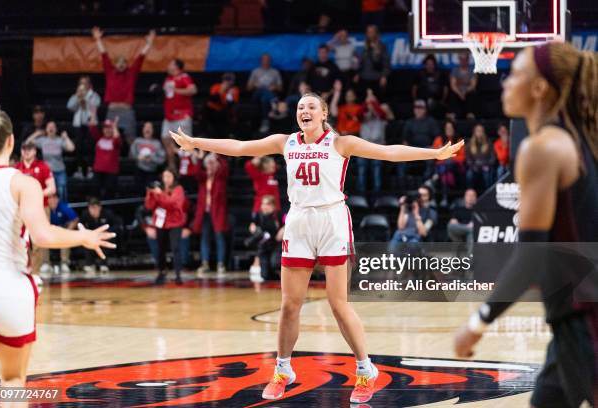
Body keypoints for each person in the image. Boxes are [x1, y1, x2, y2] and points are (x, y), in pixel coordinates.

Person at [169, 92, 462, 403]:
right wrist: (196, 142)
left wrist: (433, 154)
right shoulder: (286, 142)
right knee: (289, 305)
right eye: (299, 107)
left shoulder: (340, 143)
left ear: (324, 114)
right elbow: (240, 147)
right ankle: (283, 369)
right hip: (299, 221)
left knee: (338, 304)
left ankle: (366, 369)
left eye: (310, 107)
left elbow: (388, 152)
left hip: (332, 220)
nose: (303, 111)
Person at [454, 42, 598, 408]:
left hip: (586, 323)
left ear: (539, 88)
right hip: (572, 320)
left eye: (516, 73)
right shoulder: (578, 141)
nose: (505, 82)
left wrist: (477, 324)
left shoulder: (544, 149)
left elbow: (530, 255)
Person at [0, 99, 114, 388]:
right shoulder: (23, 183)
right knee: (12, 381)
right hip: (10, 289)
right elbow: (42, 235)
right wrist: (84, 236)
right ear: (11, 142)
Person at [92, 26, 155, 145]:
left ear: (126, 64)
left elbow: (140, 58)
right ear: (115, 64)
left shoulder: (131, 73)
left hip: (126, 111)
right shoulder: (110, 72)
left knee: (130, 139)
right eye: (118, 62)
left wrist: (149, 44)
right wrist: (98, 40)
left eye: (123, 62)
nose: (121, 65)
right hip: (112, 111)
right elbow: (104, 55)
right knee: (109, 139)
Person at [14, 141, 56, 277]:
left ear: (35, 151)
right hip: (21, 209)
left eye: (29, 149)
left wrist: (36, 193)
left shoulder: (43, 166)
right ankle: (23, 269)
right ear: (21, 151)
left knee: (39, 239)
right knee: (20, 239)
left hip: (40, 208)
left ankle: (36, 272)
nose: (26, 151)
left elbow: (52, 188)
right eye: (24, 149)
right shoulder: (16, 169)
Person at [145, 168, 188, 285]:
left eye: (169, 176)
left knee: (175, 247)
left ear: (174, 177)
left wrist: (160, 194)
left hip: (175, 222)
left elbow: (172, 203)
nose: (167, 179)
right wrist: (150, 194)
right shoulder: (159, 189)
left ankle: (178, 274)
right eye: (165, 177)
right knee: (161, 249)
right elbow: (149, 206)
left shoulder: (179, 189)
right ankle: (161, 272)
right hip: (161, 222)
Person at [190, 153, 229, 278]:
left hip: (217, 212)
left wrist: (216, 156)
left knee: (219, 237)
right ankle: (205, 263)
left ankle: (221, 263)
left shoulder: (220, 177)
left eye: (213, 164)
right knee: (204, 238)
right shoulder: (203, 178)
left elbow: (225, 167)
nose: (211, 166)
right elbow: (196, 171)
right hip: (204, 212)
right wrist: (201, 158)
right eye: (209, 163)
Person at [25, 121, 75, 202]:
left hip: (60, 171)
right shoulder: (42, 140)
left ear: (56, 129)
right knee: (48, 193)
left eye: (53, 127)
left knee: (62, 192)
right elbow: (27, 143)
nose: (51, 128)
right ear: (46, 129)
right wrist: (37, 134)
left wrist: (66, 137)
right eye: (49, 127)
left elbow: (72, 148)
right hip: (47, 172)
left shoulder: (59, 140)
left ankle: (62, 211)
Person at [161, 59, 197, 168]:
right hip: (169, 117)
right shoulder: (168, 79)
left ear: (176, 66)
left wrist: (176, 90)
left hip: (182, 116)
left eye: (170, 63)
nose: (168, 66)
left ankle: (188, 169)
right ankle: (172, 168)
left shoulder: (184, 77)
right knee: (165, 139)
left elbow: (193, 90)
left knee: (185, 144)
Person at [67, 75, 101, 179]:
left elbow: (96, 105)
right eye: (81, 83)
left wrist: (85, 99)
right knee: (79, 148)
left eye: (84, 83)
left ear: (89, 85)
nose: (82, 85)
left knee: (90, 148)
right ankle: (80, 169)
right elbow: (69, 106)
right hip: (78, 125)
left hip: (90, 125)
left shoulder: (94, 96)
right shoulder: (76, 95)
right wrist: (78, 98)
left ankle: (91, 169)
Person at [355, 89, 388, 194]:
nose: (370, 104)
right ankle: (361, 195)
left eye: (372, 102)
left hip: (378, 146)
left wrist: (372, 102)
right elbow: (358, 114)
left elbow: (382, 113)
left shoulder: (381, 113)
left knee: (376, 171)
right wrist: (366, 103)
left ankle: (377, 196)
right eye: (369, 102)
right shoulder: (364, 114)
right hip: (363, 147)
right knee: (362, 170)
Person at [397, 99, 439, 180]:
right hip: (413, 148)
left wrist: (434, 147)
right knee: (399, 159)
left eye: (421, 107)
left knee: (430, 159)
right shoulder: (409, 122)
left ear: (425, 109)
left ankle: (425, 183)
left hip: (428, 148)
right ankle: (403, 185)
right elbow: (404, 139)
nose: (418, 110)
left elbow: (437, 137)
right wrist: (405, 149)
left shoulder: (431, 122)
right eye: (416, 107)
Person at [247, 195, 284, 282]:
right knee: (265, 275)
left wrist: (283, 229)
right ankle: (275, 277)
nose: (265, 207)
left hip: (276, 245)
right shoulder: (258, 216)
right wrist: (254, 230)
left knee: (275, 263)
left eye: (268, 204)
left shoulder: (279, 215)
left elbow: (288, 222)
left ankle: (281, 276)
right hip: (264, 247)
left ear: (273, 206)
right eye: (263, 204)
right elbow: (252, 226)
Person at [80, 197, 118, 277]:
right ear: (88, 208)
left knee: (106, 241)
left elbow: (117, 225)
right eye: (91, 208)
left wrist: (108, 232)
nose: (93, 210)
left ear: (100, 207)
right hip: (90, 237)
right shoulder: (85, 215)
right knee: (85, 242)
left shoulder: (107, 214)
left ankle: (103, 264)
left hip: (103, 236)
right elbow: (80, 227)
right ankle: (89, 264)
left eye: (95, 207)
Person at [431, 119, 466, 206]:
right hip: (441, 166)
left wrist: (449, 158)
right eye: (447, 128)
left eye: (450, 128)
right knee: (445, 168)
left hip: (455, 167)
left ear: (454, 129)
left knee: (448, 164)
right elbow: (434, 155)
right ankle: (446, 197)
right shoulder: (438, 140)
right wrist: (446, 159)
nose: (449, 130)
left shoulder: (459, 141)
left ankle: (444, 196)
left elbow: (462, 157)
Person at [89, 111, 122, 199]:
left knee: (109, 194)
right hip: (98, 171)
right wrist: (93, 115)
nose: (107, 130)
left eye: (109, 128)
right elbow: (92, 128)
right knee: (95, 192)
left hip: (111, 172)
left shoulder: (115, 141)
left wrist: (115, 127)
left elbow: (117, 139)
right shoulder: (99, 138)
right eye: (105, 128)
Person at [247, 53, 283, 133]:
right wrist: (255, 85)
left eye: (267, 60)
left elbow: (280, 88)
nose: (266, 61)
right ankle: (274, 101)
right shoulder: (255, 72)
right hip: (257, 94)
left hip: (269, 95)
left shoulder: (275, 72)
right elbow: (248, 88)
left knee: (264, 98)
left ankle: (265, 122)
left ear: (270, 61)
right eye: (264, 59)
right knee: (262, 90)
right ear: (261, 61)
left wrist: (275, 87)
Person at [46, 193, 79, 277]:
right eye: (50, 198)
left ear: (58, 199)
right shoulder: (44, 208)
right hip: (49, 230)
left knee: (65, 239)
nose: (52, 200)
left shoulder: (63, 207)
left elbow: (75, 219)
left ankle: (64, 263)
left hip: (62, 229)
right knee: (41, 239)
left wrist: (67, 231)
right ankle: (45, 263)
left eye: (54, 198)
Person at [354, 25, 389, 100]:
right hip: (364, 78)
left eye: (371, 32)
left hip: (376, 78)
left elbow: (386, 62)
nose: (369, 34)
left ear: (376, 33)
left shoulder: (381, 46)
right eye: (368, 32)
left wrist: (384, 76)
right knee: (364, 100)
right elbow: (361, 62)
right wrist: (358, 73)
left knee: (377, 101)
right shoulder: (364, 46)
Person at [130, 121, 166, 192]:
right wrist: (137, 157)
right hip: (139, 170)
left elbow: (162, 159)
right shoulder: (137, 141)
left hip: (152, 171)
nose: (147, 129)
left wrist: (152, 159)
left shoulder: (157, 143)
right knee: (138, 189)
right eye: (146, 127)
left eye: (150, 128)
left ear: (153, 131)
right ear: (142, 129)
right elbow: (131, 154)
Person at [204, 72, 240, 139]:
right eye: (226, 80)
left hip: (224, 114)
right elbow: (212, 99)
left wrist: (229, 94)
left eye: (229, 80)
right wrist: (221, 91)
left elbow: (231, 104)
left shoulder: (234, 90)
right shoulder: (216, 86)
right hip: (212, 112)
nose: (227, 82)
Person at [466, 123, 495, 192]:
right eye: (477, 131)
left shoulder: (488, 143)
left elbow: (493, 158)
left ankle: (488, 193)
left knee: (487, 174)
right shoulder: (470, 144)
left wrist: (487, 165)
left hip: (486, 166)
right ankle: (470, 193)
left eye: (481, 131)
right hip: (474, 167)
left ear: (483, 132)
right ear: (474, 132)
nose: (479, 133)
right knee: (469, 174)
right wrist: (473, 166)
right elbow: (468, 159)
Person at [448, 53, 477, 119]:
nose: (463, 61)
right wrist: (460, 93)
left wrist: (465, 92)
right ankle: (453, 114)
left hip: (468, 91)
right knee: (452, 94)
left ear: (468, 60)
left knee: (472, 93)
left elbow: (473, 85)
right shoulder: (455, 70)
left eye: (465, 59)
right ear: (459, 60)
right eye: (462, 59)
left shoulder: (472, 70)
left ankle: (470, 114)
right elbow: (453, 85)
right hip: (457, 92)